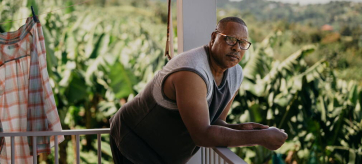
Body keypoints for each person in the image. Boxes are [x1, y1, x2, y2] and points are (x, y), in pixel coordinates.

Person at [109, 17, 288, 164]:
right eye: (230, 39)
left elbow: (216, 122)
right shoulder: (192, 70)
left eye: (242, 43)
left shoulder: (235, 74)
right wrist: (261, 138)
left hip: (164, 152)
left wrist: (246, 129)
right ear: (213, 38)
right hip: (136, 141)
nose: (236, 48)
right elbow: (202, 135)